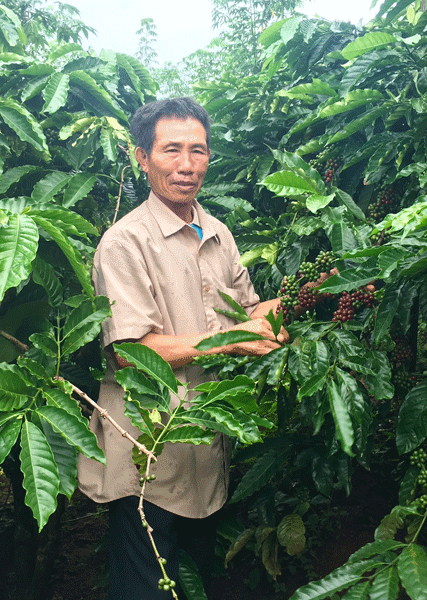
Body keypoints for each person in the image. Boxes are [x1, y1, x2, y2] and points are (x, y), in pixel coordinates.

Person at [77, 97, 286, 599]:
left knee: (195, 583)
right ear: (141, 157)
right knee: (149, 589)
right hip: (149, 457)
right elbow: (131, 351)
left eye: (199, 151)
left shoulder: (218, 233)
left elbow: (247, 310)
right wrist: (234, 342)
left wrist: (296, 303)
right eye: (172, 150)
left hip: (207, 447)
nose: (187, 165)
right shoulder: (125, 242)